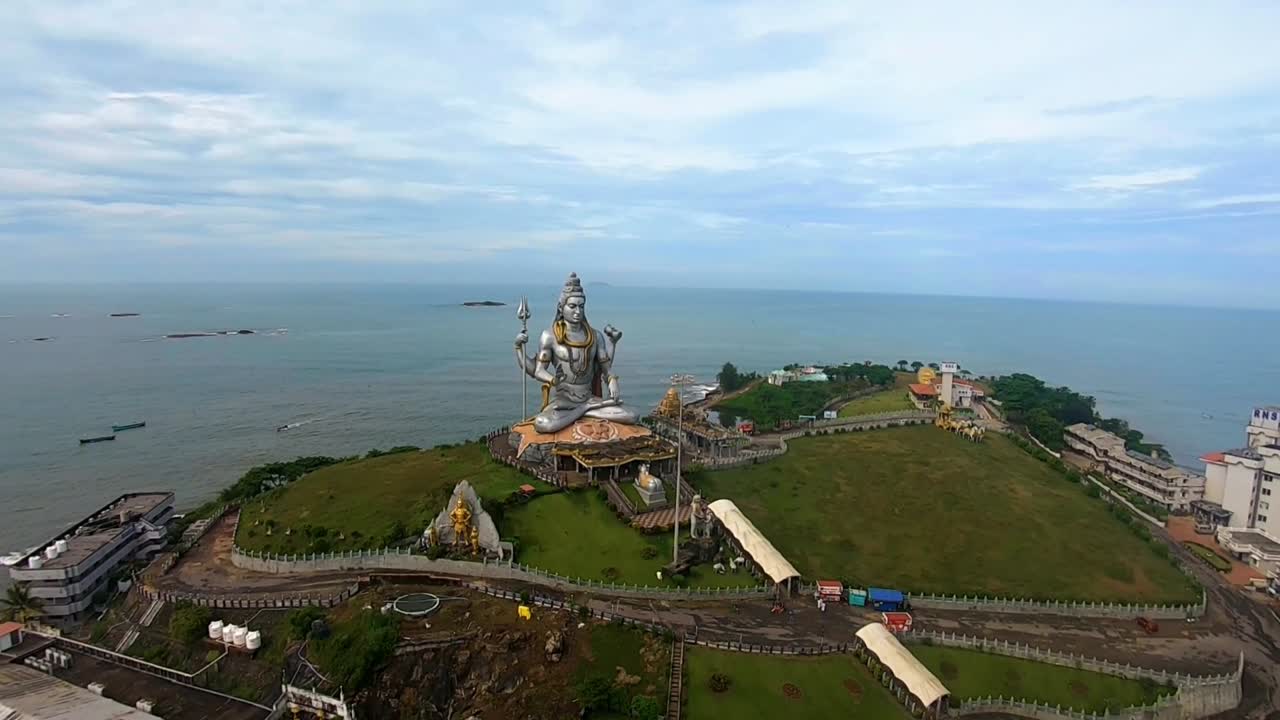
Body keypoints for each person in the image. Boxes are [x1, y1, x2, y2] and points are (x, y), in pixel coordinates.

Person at [515, 273, 639, 433]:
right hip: (563, 402)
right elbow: (538, 371)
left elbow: (605, 368)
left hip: (589, 398)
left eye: (581, 306)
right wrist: (552, 379)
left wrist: (612, 380)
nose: (577, 311)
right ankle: (583, 411)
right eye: (572, 306)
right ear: (561, 307)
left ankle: (585, 409)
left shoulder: (595, 336)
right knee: (543, 422)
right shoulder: (550, 336)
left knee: (631, 415)